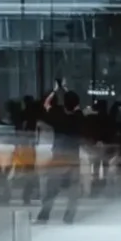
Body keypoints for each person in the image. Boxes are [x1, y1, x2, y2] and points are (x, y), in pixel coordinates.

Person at [36, 83, 84, 224]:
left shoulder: (57, 116)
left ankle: (44, 214)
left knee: (51, 189)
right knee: (73, 190)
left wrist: (55, 91)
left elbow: (46, 104)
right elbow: (76, 106)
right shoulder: (79, 117)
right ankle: (69, 216)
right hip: (74, 157)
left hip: (58, 156)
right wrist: (67, 89)